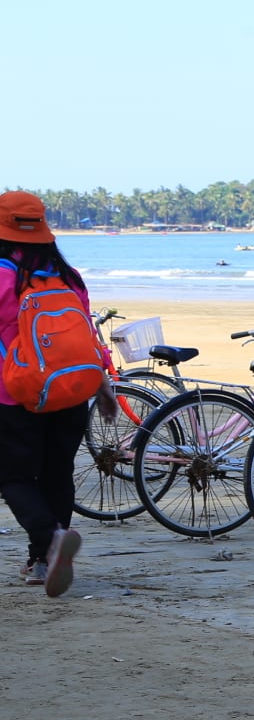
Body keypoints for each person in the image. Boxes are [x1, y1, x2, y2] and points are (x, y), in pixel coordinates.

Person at [0, 191, 103, 598]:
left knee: (13, 476)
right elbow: (85, 333)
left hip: (15, 393)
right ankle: (42, 560)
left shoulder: (4, 275)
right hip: (71, 389)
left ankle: (51, 538)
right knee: (57, 473)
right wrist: (103, 383)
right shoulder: (67, 274)